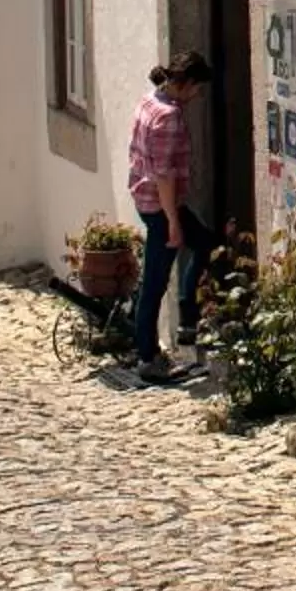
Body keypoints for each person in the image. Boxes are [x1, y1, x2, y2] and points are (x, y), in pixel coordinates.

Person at [123, 48, 213, 383]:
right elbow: (163, 174)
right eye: (197, 89)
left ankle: (188, 318)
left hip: (146, 198)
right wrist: (173, 221)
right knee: (155, 281)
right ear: (186, 83)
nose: (197, 96)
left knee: (204, 242)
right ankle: (147, 357)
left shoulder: (151, 99)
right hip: (160, 206)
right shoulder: (168, 117)